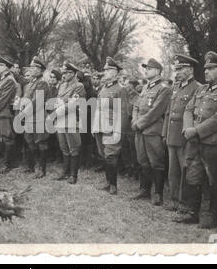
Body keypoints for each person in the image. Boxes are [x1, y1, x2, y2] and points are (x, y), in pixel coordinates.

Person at [174, 51, 217, 229]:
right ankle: (192, 213)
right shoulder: (201, 89)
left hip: (213, 145)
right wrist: (187, 128)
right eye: (206, 69)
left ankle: (212, 215)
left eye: (211, 69)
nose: (207, 72)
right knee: (193, 177)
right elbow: (188, 109)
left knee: (214, 181)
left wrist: (195, 131)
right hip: (196, 142)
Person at [162, 54, 202, 212]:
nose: (177, 72)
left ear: (190, 70)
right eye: (176, 69)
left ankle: (184, 202)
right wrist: (164, 132)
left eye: (181, 69)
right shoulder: (175, 87)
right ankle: (174, 199)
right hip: (172, 135)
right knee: (173, 171)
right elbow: (168, 112)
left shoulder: (197, 88)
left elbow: (194, 114)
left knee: (185, 169)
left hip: (184, 136)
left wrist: (189, 133)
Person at [132, 58, 172, 206]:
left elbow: (156, 111)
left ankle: (158, 194)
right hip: (140, 130)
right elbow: (136, 106)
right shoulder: (146, 87)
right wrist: (134, 121)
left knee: (157, 162)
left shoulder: (164, 88)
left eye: (149, 68)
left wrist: (139, 124)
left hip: (152, 131)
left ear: (157, 71)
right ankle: (144, 190)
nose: (146, 70)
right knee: (143, 161)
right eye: (146, 68)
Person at [92, 57, 129, 195]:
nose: (105, 72)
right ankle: (108, 182)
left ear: (115, 72)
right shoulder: (103, 88)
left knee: (111, 155)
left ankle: (113, 185)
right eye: (105, 70)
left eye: (108, 70)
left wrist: (119, 131)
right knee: (104, 154)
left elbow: (124, 112)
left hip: (112, 127)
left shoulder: (120, 89)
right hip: (100, 126)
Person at [52, 61, 86, 184]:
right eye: (63, 72)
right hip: (60, 120)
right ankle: (65, 172)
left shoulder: (78, 86)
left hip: (71, 120)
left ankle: (73, 175)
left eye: (67, 72)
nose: (64, 75)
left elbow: (74, 103)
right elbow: (58, 100)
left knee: (74, 148)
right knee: (64, 147)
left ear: (73, 73)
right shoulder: (62, 85)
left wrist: (58, 110)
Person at [19, 56, 50, 179]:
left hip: (39, 117)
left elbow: (37, 101)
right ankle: (35, 165)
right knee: (30, 142)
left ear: (40, 69)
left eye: (33, 67)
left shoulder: (42, 82)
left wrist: (24, 113)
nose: (31, 69)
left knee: (40, 143)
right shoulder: (32, 82)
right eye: (31, 67)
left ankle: (41, 169)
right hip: (30, 117)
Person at [0, 56, 18, 174]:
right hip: (0, 112)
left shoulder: (9, 80)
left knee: (7, 138)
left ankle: (9, 164)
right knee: (5, 137)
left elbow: (3, 99)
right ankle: (9, 163)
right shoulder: (3, 79)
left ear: (5, 67)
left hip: (5, 112)